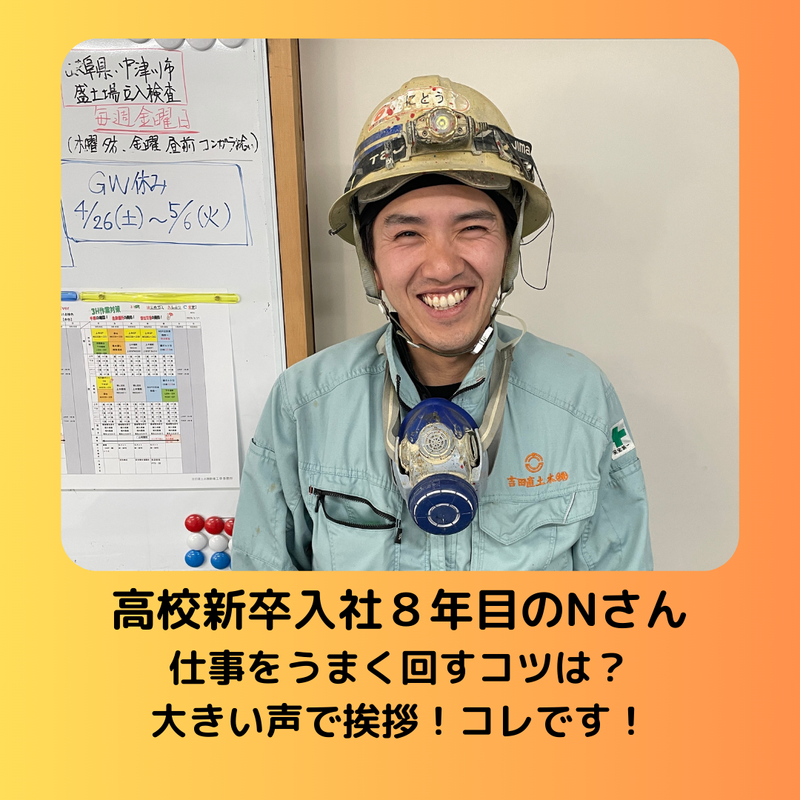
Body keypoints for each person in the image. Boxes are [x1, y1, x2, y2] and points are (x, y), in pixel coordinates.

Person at [231, 75, 653, 571]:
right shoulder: (305, 403)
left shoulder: (578, 398)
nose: (442, 266)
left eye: (472, 227)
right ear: (372, 263)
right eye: (407, 234)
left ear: (508, 250)